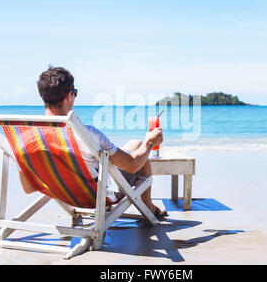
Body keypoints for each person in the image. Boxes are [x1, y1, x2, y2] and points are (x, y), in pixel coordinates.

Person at [17, 66, 167, 219]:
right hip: (95, 198)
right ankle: (147, 206)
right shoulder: (86, 134)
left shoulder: (25, 139)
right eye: (74, 93)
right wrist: (149, 142)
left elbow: (28, 187)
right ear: (69, 95)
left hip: (62, 194)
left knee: (135, 144)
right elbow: (132, 165)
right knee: (142, 152)